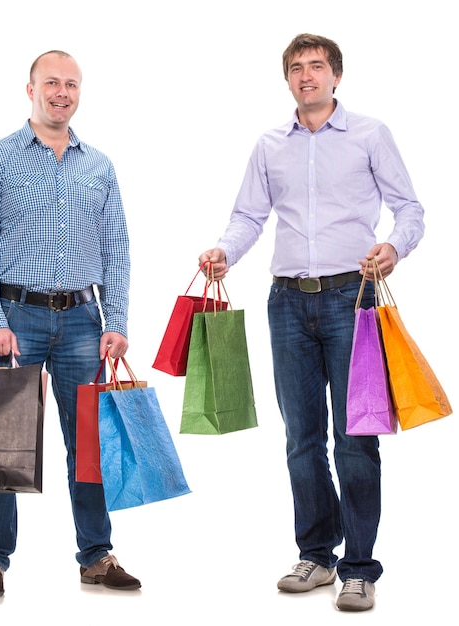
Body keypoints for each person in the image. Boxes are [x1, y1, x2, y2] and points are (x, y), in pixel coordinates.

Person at [199, 33, 424, 612]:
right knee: (302, 439)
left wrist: (393, 249)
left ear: (336, 76)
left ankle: (359, 567)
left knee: (356, 438)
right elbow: (249, 214)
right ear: (288, 79)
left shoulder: (371, 134)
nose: (306, 76)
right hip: (287, 303)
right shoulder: (270, 145)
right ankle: (317, 556)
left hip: (355, 300)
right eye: (296, 68)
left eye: (316, 67)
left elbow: (410, 209)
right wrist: (226, 250)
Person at [0, 50, 141, 597]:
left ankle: (96, 555)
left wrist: (118, 320)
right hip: (17, 319)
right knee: (2, 441)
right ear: (30, 90)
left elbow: (116, 248)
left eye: (71, 84)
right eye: (51, 83)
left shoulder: (99, 166)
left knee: (87, 441)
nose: (61, 92)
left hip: (85, 322)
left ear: (79, 92)